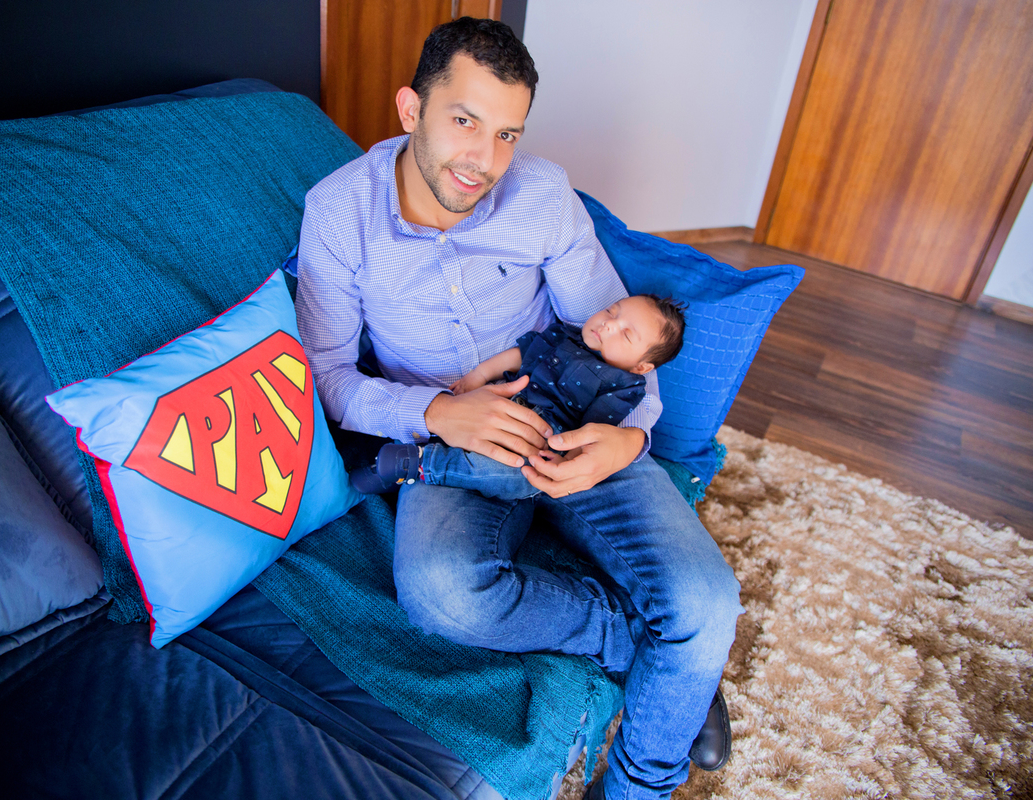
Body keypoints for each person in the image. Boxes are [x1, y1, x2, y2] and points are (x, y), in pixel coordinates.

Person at [294, 17, 743, 800]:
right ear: (410, 110)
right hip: (458, 438)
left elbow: (619, 335)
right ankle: (640, 643)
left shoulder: (543, 194)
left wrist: (628, 443)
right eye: (464, 122)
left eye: (507, 133)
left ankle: (639, 785)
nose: (485, 162)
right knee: (442, 593)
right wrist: (436, 412)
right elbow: (327, 376)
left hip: (578, 415)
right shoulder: (338, 213)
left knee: (709, 601)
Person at [350, 294, 687, 500]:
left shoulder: (623, 385)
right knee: (464, 422)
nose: (608, 325)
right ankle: (410, 447)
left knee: (522, 478)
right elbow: (520, 355)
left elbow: (592, 429)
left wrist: (565, 458)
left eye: (625, 334)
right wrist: (481, 374)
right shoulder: (566, 334)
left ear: (642, 367)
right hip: (497, 398)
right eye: (612, 311)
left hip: (542, 434)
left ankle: (419, 462)